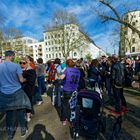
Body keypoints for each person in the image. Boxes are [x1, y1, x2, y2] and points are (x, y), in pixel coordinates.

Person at [0, 50, 31, 140]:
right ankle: (23, 131)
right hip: (16, 91)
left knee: (9, 114)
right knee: (20, 112)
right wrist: (26, 79)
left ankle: (9, 135)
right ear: (11, 56)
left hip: (4, 93)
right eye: (13, 56)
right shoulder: (16, 66)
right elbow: (21, 80)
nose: (14, 58)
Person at [60, 59, 80, 125]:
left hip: (67, 89)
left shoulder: (67, 70)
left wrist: (61, 73)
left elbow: (61, 78)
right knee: (73, 105)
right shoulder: (78, 70)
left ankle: (64, 120)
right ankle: (73, 120)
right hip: (74, 89)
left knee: (65, 105)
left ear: (67, 64)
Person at [20, 57, 36, 122]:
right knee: (24, 103)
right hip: (21, 89)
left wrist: (24, 79)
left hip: (28, 89)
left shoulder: (31, 70)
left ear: (27, 63)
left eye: (23, 63)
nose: (22, 64)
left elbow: (32, 80)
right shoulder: (20, 70)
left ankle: (28, 116)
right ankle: (29, 113)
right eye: (20, 63)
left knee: (28, 102)